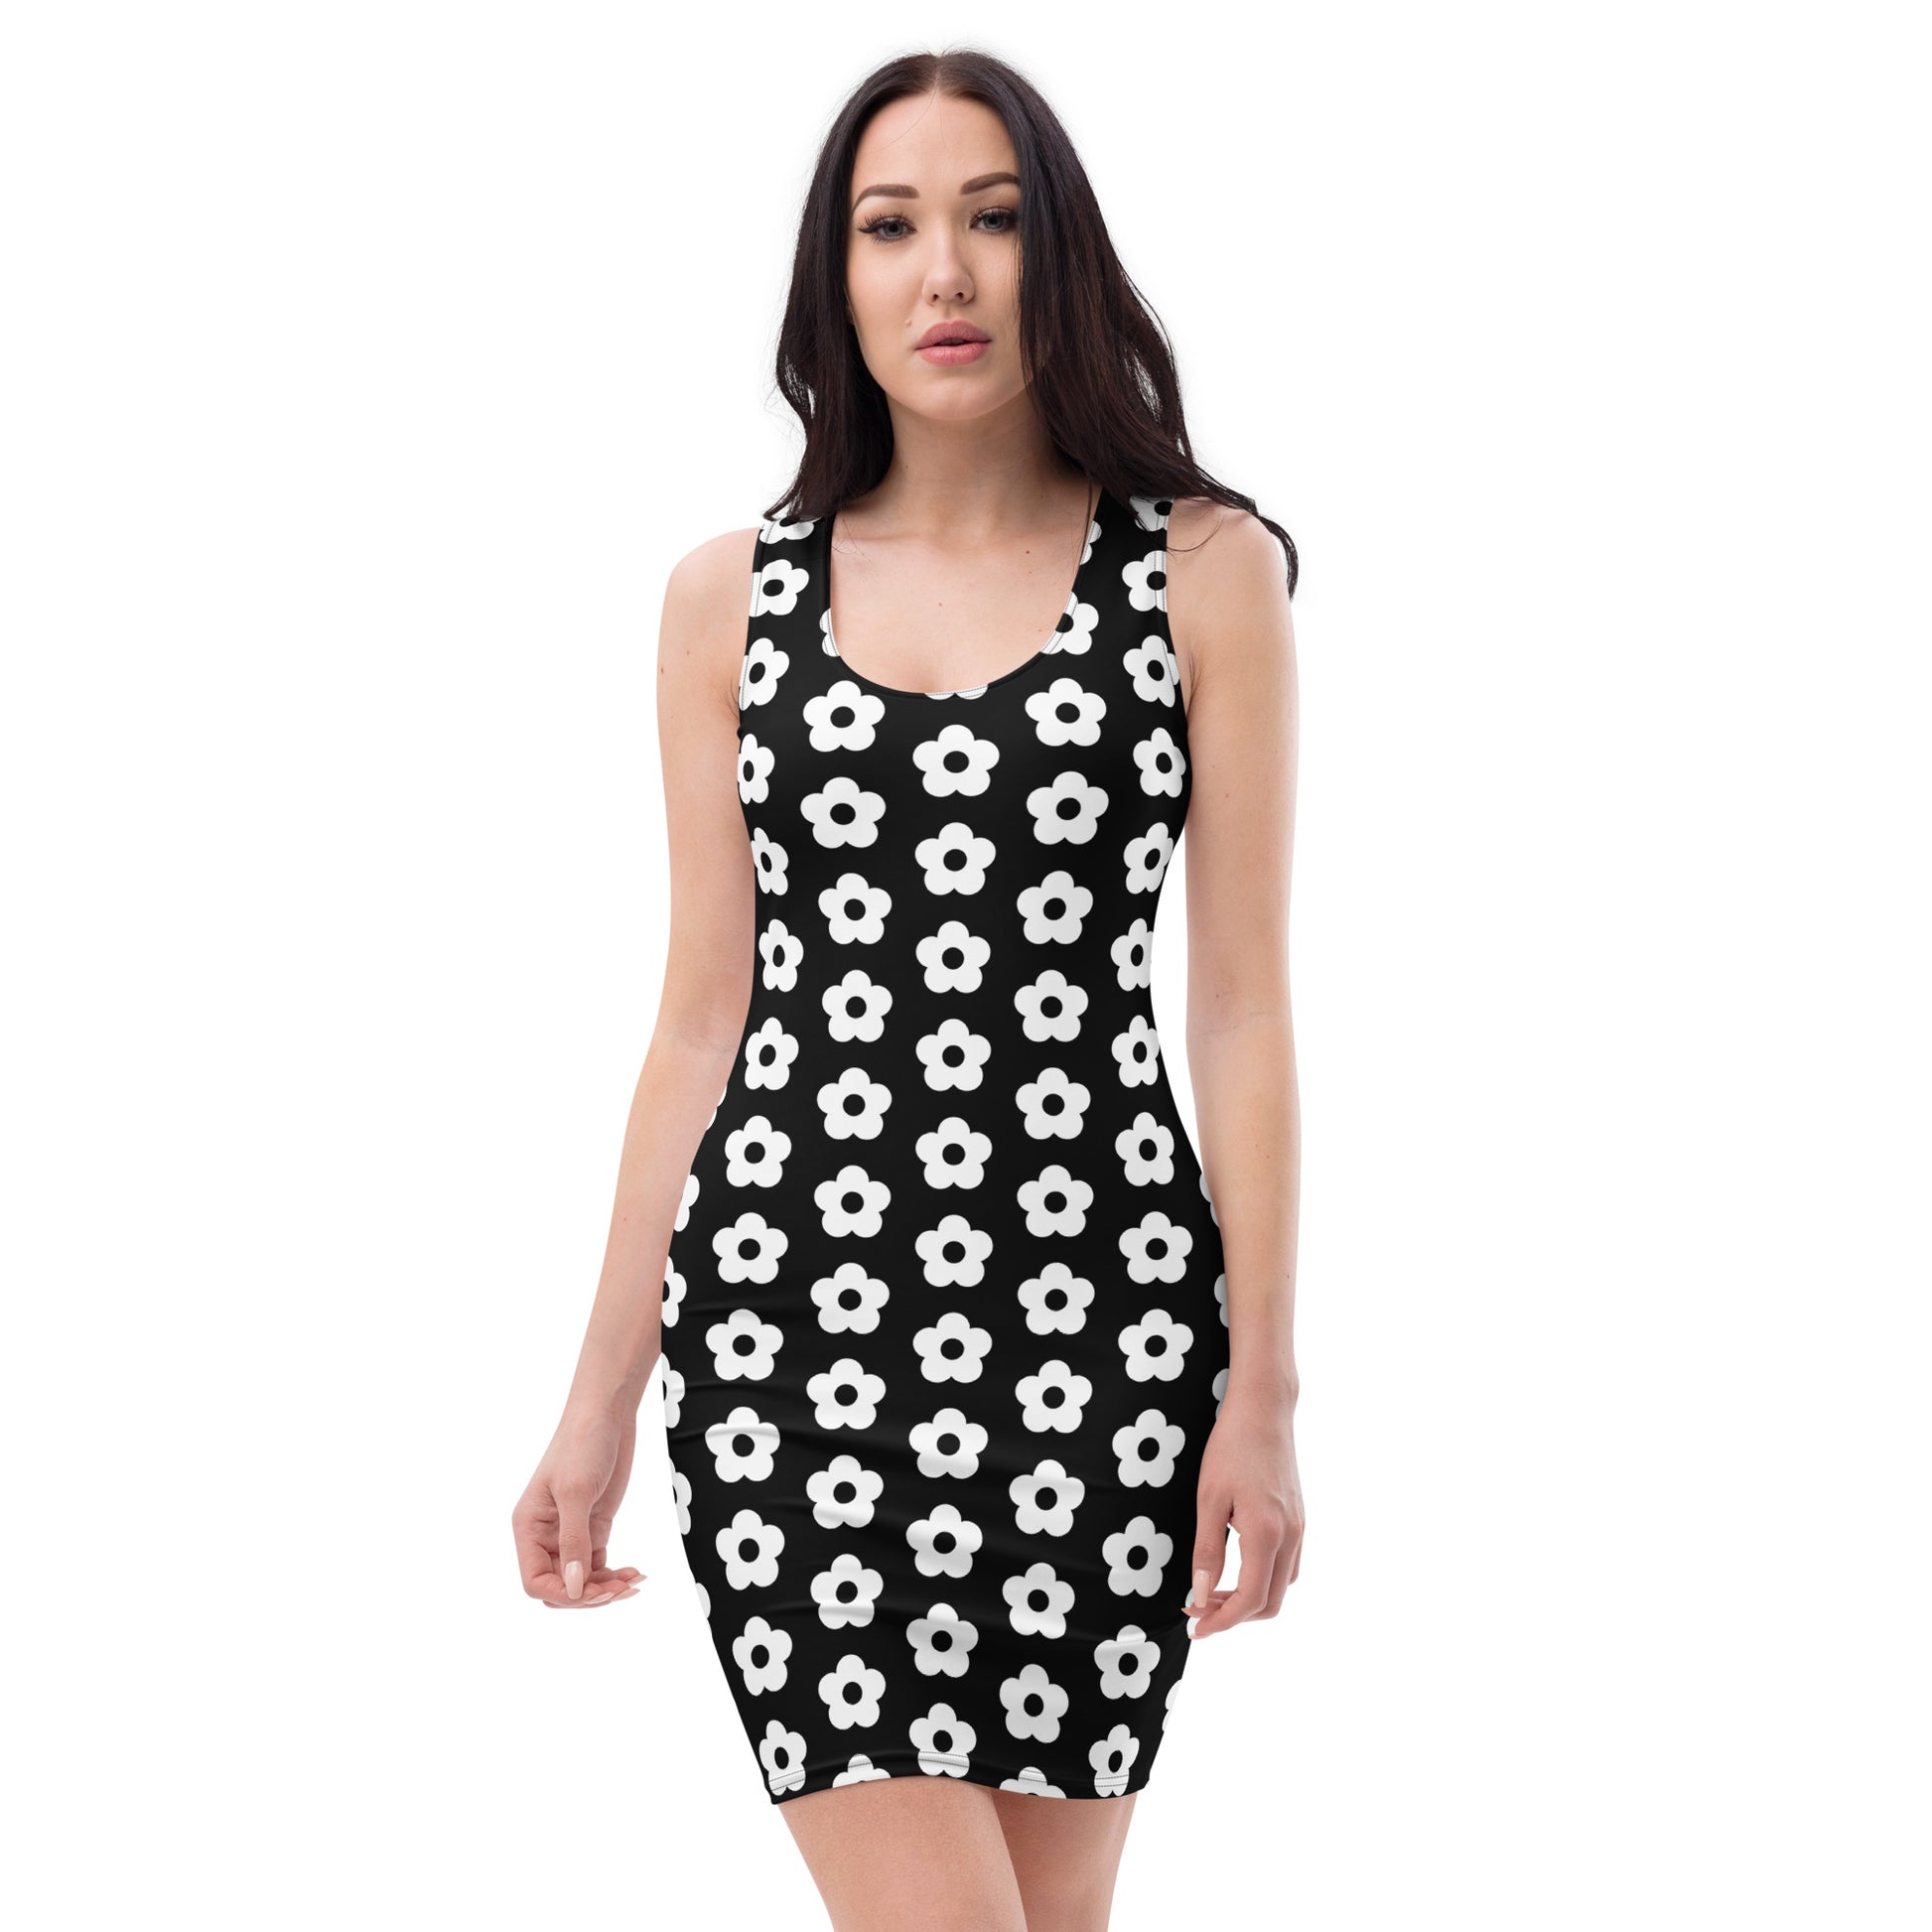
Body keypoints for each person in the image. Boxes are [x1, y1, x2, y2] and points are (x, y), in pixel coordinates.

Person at [511, 47, 1303, 1931]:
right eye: (890, 226)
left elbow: (1242, 1011)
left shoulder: (1202, 576)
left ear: (1060, 255)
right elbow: (700, 1018)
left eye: (992, 218)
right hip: (796, 1342)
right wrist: (598, 1395)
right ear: (835, 277)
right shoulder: (728, 598)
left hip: (1109, 1346)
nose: (943, 271)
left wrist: (1260, 1390)